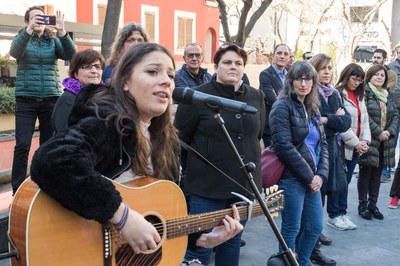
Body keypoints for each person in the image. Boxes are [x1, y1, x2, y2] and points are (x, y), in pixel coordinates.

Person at [30, 43, 243, 263]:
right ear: (124, 82)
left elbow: (155, 214)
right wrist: (122, 217)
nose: (166, 81)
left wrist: (202, 238)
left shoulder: (164, 139)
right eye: (153, 71)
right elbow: (52, 161)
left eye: (170, 75)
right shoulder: (108, 123)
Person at [175, 43, 265, 266]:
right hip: (206, 188)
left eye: (238, 63)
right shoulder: (198, 96)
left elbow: (258, 135)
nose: (233, 67)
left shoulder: (256, 96)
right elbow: (180, 140)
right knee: (201, 248)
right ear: (215, 66)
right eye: (227, 62)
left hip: (243, 187)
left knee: (232, 242)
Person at [9, 6, 76, 194]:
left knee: (48, 146)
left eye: (41, 18)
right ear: (27, 21)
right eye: (34, 18)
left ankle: (45, 186)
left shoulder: (53, 41)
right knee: (22, 145)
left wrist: (62, 32)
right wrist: (28, 31)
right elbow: (14, 52)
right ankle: (18, 189)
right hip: (26, 100)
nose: (39, 21)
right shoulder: (21, 38)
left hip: (50, 100)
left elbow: (71, 56)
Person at [269, 61, 329, 266]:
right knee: (291, 228)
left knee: (314, 227)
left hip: (313, 178)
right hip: (292, 178)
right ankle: (287, 263)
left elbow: (324, 145)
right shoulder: (282, 106)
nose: (303, 83)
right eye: (298, 78)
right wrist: (309, 176)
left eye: (308, 79)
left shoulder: (312, 107)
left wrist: (321, 175)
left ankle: (302, 262)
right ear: (290, 81)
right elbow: (283, 146)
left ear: (313, 82)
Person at [311, 54, 352, 231]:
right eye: (322, 69)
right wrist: (334, 118)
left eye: (329, 68)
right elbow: (314, 122)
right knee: (316, 195)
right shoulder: (310, 92)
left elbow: (346, 123)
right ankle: (315, 232)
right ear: (315, 70)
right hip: (316, 150)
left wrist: (327, 120)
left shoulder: (333, 93)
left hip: (332, 150)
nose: (327, 72)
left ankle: (319, 230)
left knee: (332, 188)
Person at [358, 64, 398, 220]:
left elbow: (395, 115)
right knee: (365, 173)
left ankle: (373, 205)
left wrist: (389, 131)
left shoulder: (388, 94)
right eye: (377, 75)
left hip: (385, 141)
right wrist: (379, 132)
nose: (380, 77)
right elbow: (365, 115)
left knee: (377, 174)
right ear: (370, 76)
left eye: (382, 75)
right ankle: (363, 205)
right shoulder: (365, 93)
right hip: (370, 139)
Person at [336, 63, 370, 217]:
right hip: (343, 146)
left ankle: (342, 213)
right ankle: (337, 214)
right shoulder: (338, 94)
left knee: (347, 181)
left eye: (359, 80)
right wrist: (356, 143)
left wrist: (364, 142)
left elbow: (365, 122)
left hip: (357, 146)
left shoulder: (359, 96)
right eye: (354, 79)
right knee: (340, 182)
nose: (356, 83)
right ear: (346, 76)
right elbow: (340, 124)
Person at [51, 49, 104, 132]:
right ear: (76, 73)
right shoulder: (68, 100)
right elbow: (64, 136)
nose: (94, 71)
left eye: (98, 67)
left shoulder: (105, 97)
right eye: (87, 67)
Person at [372, 48, 398, 183]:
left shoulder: (391, 72)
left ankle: (386, 171)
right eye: (374, 57)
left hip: (391, 108)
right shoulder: (369, 72)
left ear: (384, 59)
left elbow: (389, 89)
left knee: (390, 141)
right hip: (375, 112)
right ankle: (373, 167)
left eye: (378, 57)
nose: (375, 59)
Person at [259, 43, 290, 147]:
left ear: (289, 58)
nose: (282, 56)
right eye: (279, 53)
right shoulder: (265, 74)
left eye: (286, 54)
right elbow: (272, 99)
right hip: (272, 125)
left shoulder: (291, 75)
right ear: (273, 56)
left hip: (288, 125)